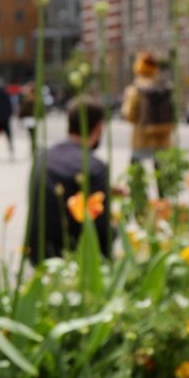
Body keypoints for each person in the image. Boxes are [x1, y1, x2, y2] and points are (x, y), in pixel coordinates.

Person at [24, 99, 111, 263]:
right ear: (99, 127)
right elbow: (101, 232)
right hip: (70, 258)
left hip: (37, 254)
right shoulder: (94, 167)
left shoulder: (42, 158)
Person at [121, 51, 175, 194]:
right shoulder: (164, 87)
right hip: (163, 138)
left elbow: (129, 115)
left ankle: (139, 207)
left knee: (136, 174)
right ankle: (163, 205)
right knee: (161, 178)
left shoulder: (135, 89)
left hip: (142, 138)